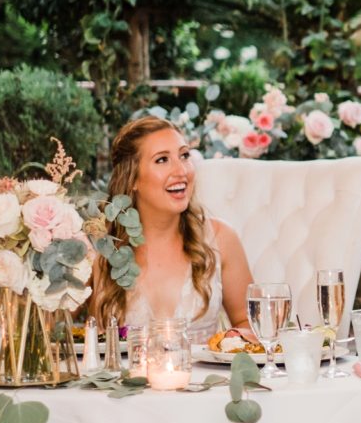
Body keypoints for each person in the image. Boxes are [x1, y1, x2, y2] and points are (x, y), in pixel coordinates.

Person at [92, 116, 255, 344]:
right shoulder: (102, 250)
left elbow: (251, 326)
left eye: (184, 156)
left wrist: (232, 339)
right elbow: (63, 335)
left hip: (206, 379)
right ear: (132, 179)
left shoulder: (220, 239)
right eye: (162, 160)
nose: (181, 170)